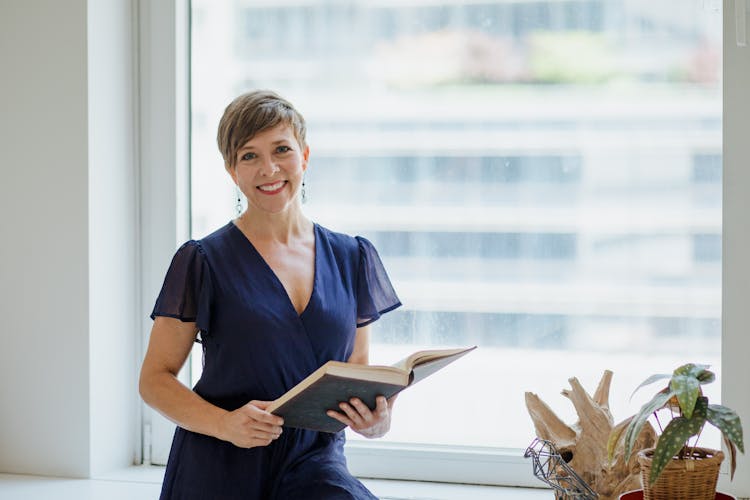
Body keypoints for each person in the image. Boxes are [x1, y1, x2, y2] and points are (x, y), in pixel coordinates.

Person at [139, 90, 402, 499]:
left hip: (314, 467)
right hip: (220, 467)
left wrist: (374, 420)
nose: (269, 169)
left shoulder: (352, 257)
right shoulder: (202, 260)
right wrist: (226, 424)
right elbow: (154, 381)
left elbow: (355, 376)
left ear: (305, 156)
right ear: (232, 171)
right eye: (249, 156)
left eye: (282, 149)